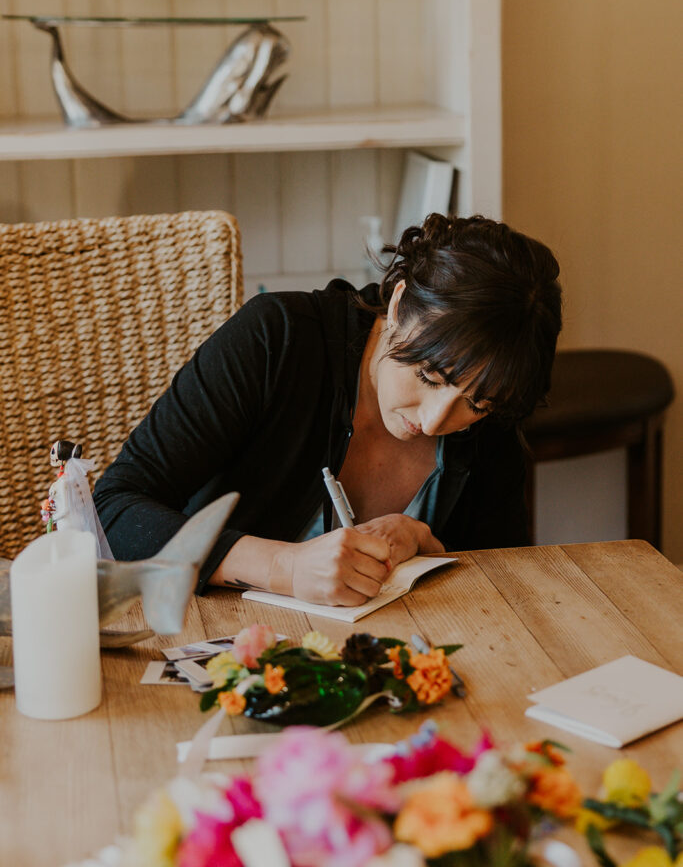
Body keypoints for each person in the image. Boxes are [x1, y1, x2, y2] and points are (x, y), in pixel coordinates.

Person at [94, 213, 562, 606]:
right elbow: (113, 511)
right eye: (428, 377)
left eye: (475, 404)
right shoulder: (277, 339)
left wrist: (427, 544)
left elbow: (504, 577)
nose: (437, 421)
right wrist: (284, 567)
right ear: (398, 303)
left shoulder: (492, 401)